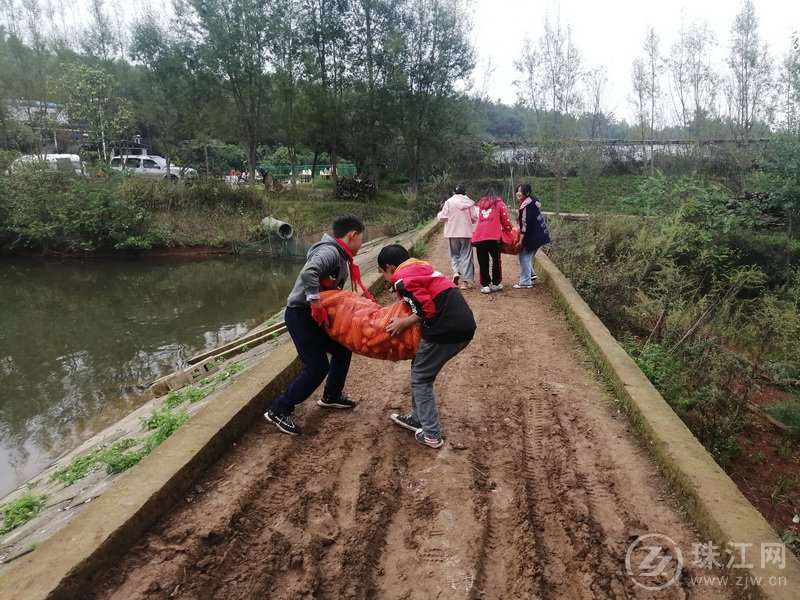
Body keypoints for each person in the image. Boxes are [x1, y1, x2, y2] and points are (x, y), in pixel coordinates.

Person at [265, 214, 373, 436]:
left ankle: (331, 395)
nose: (361, 245)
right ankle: (279, 409)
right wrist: (314, 302)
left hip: (313, 316)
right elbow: (309, 273)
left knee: (342, 350)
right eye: (361, 239)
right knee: (317, 366)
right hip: (301, 314)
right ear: (353, 235)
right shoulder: (330, 252)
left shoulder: (339, 255)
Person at [377, 244, 476, 449]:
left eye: (383, 273)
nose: (386, 278)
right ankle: (418, 418)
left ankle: (431, 433)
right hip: (462, 325)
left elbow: (425, 308)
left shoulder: (402, 279)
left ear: (390, 267)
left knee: (421, 378)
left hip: (445, 330)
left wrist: (403, 323)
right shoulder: (421, 268)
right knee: (419, 365)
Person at [470, 188, 513, 294]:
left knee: (483, 261)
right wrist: (509, 229)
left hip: (480, 236)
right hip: (494, 237)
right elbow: (505, 219)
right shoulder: (499, 203)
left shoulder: (480, 204)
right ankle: (495, 284)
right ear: (495, 195)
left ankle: (485, 285)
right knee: (496, 261)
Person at [437, 184, 478, 289]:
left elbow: (443, 217)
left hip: (453, 232)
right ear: (465, 192)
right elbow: (474, 217)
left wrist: (439, 215)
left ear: (453, 192)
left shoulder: (449, 202)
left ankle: (455, 272)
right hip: (466, 233)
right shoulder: (469, 203)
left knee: (455, 254)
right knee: (467, 256)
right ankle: (465, 282)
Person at [513, 183, 551, 289]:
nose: (518, 193)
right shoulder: (532, 202)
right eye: (517, 190)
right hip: (541, 235)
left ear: (527, 193)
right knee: (528, 256)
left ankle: (525, 281)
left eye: (521, 191)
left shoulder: (526, 206)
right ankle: (532, 275)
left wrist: (520, 241)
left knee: (523, 256)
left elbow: (524, 225)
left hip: (533, 236)